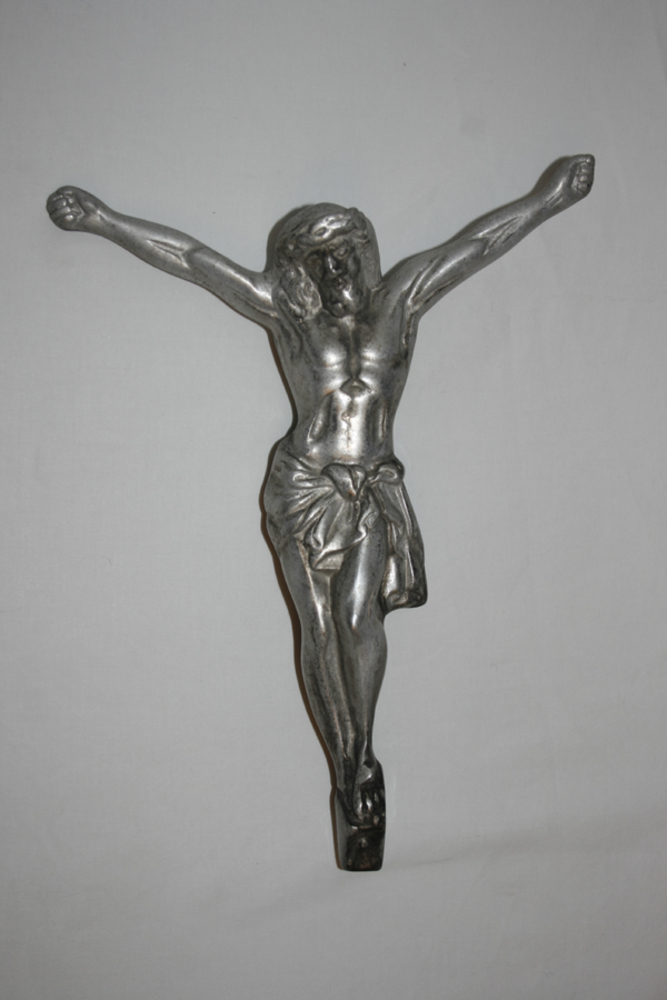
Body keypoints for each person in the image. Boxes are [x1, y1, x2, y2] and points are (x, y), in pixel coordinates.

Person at [47, 154, 594, 869]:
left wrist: (548, 199)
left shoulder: (402, 299)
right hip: (303, 488)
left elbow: (479, 244)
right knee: (318, 626)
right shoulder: (289, 312)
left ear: (365, 253)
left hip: (370, 486)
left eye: (345, 255)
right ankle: (349, 768)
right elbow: (193, 259)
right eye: (319, 259)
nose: (335, 270)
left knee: (359, 618)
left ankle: (359, 756)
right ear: (300, 266)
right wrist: (103, 220)